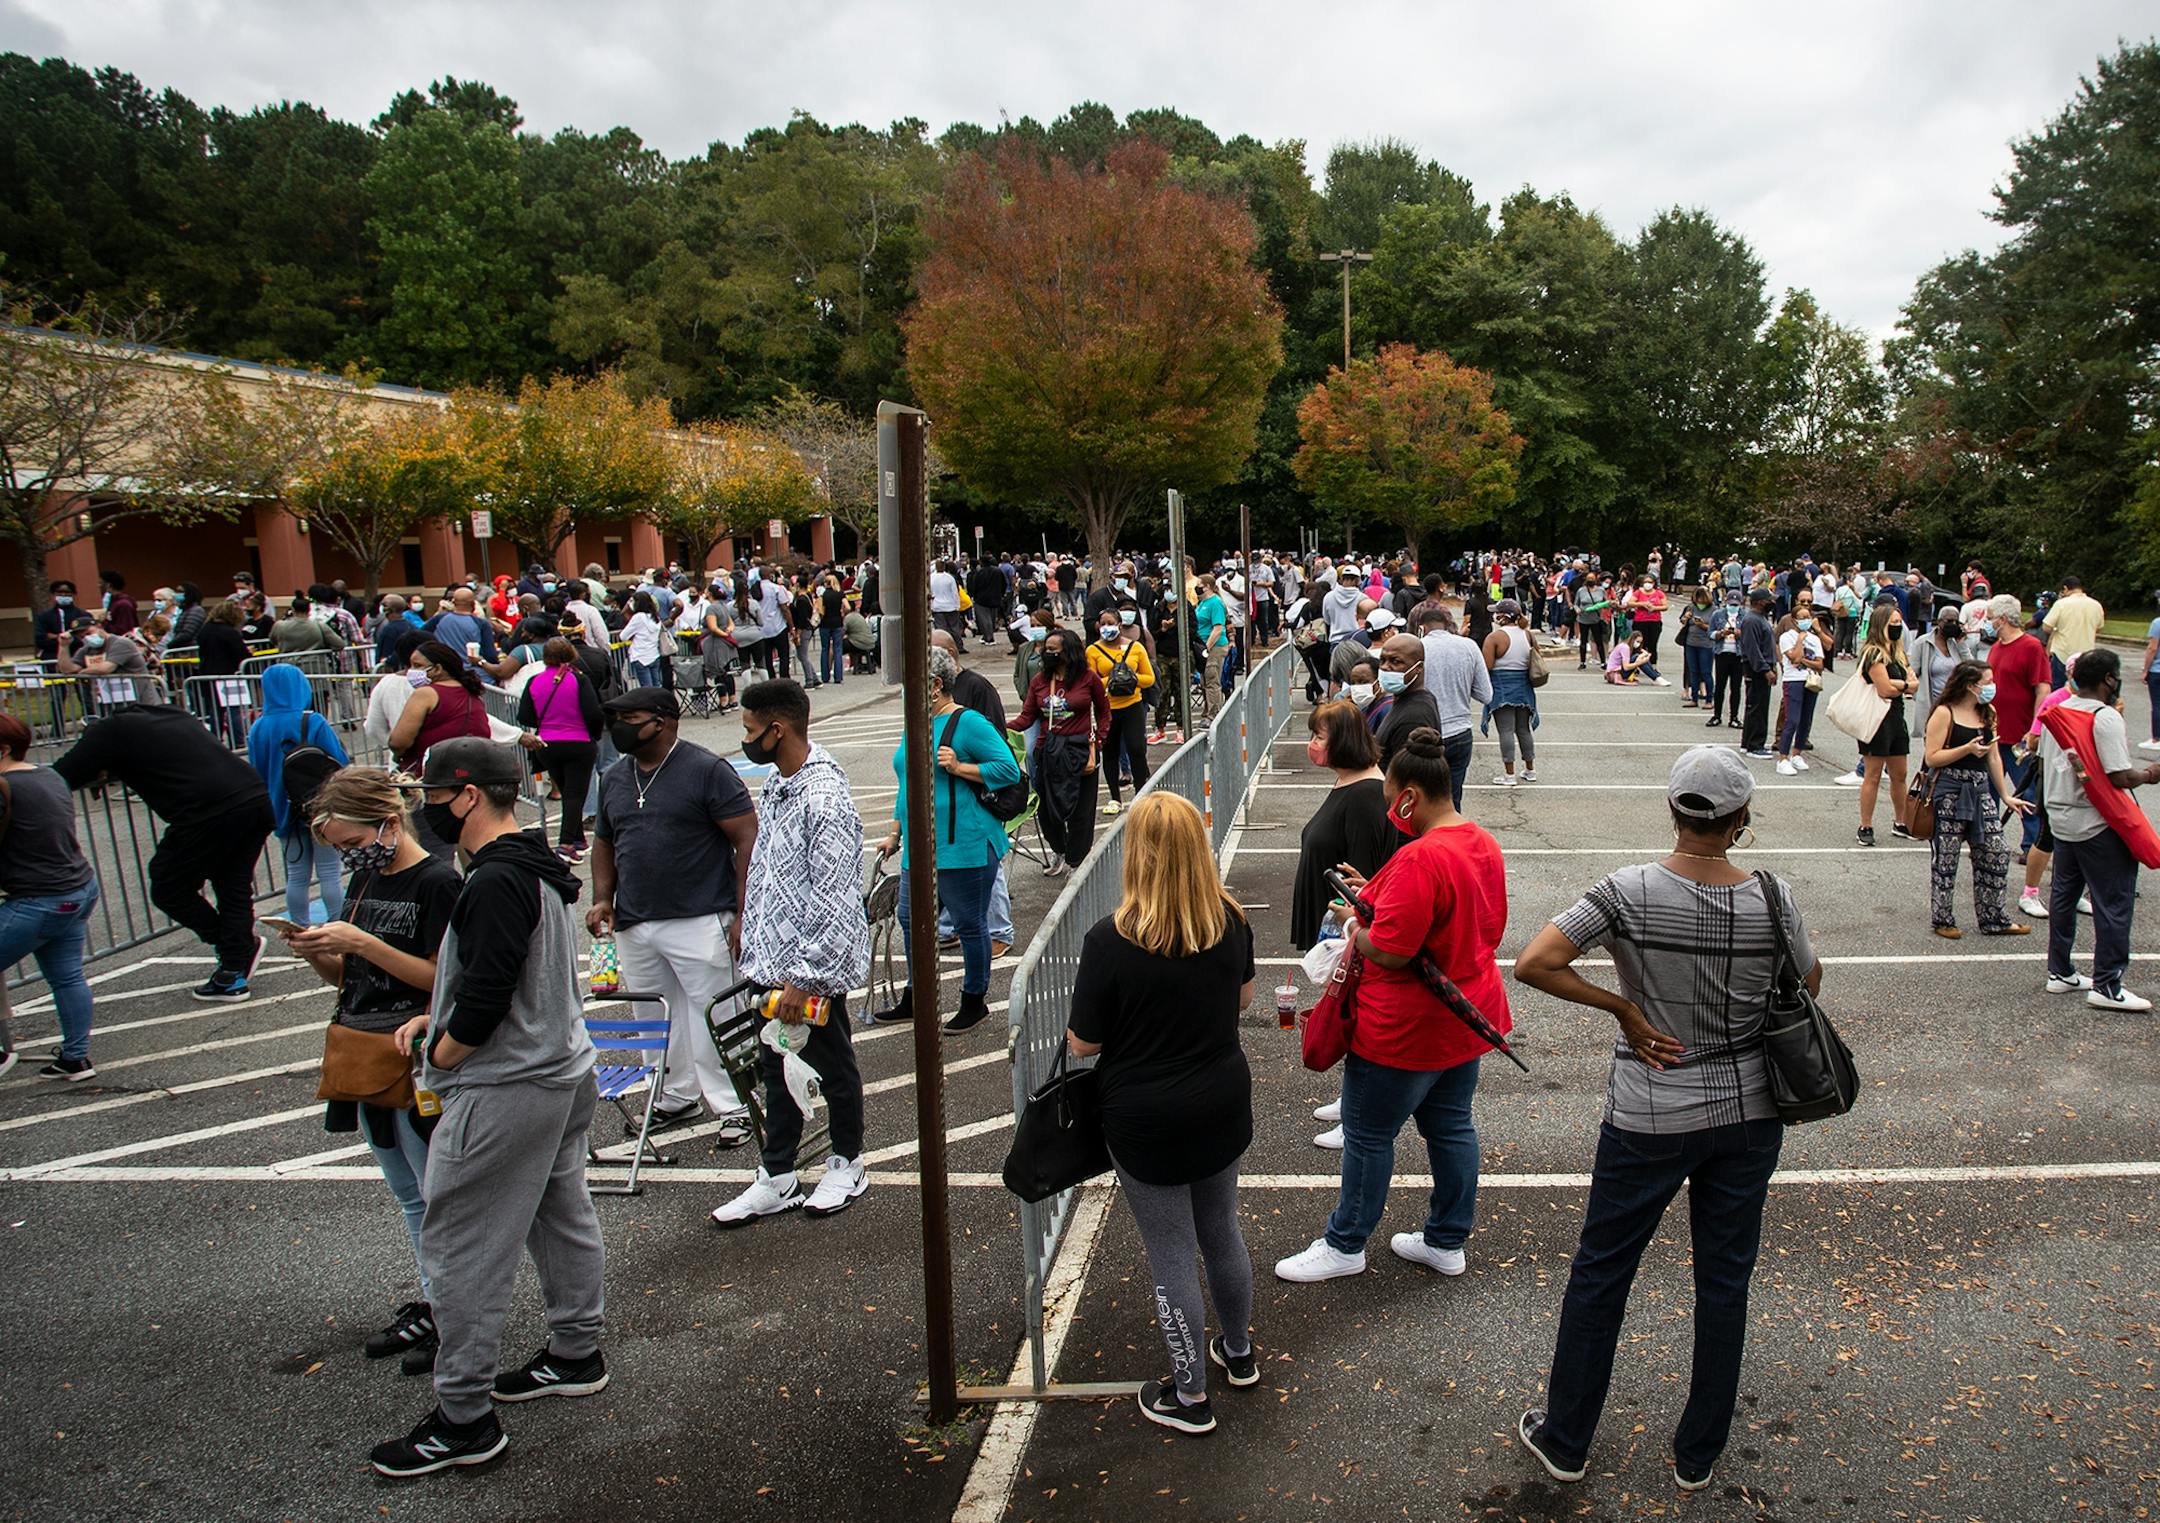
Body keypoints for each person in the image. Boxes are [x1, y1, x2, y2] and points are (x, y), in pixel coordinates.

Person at [1512, 745, 1815, 1492]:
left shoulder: (1627, 890)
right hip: (1749, 1110)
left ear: (1674, 810)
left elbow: (1535, 962)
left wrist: (1624, 1005)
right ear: (1740, 820)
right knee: (1723, 1280)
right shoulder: (1772, 897)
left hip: (1650, 1109)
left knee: (1602, 1272)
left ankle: (1568, 1437)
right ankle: (1697, 1453)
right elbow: (1806, 981)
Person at [366, 740, 607, 1478]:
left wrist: (441, 1053)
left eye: (430, 794)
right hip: (561, 1069)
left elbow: (488, 992)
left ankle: (463, 1417)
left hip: (509, 1085)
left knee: (462, 1245)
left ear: (467, 796)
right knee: (559, 1212)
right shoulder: (538, 864)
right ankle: (576, 1348)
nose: (422, 808)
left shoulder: (497, 877)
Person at [1274, 728, 1509, 1285]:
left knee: (1369, 1134)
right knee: (1451, 1128)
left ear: (1408, 796)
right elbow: (1484, 926)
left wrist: (1357, 925)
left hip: (1405, 1029)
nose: (1389, 812)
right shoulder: (1481, 841)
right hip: (1466, 1016)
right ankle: (1446, 1239)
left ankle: (1345, 1242)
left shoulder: (1420, 858)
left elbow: (1392, 950)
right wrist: (1374, 890)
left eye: (1390, 801)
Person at [1067, 792, 1257, 1435]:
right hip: (1221, 1100)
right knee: (1221, 1228)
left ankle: (1190, 1395)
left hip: (1146, 1114)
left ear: (1137, 856)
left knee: (1171, 1249)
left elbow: (1084, 1044)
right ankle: (1238, 1354)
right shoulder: (1229, 920)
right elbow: (1244, 999)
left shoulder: (1110, 940)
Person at [282, 767, 461, 1376]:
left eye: (353, 843)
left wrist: (364, 945)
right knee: (410, 1196)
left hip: (411, 1056)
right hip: (362, 1049)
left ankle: (455, 1314)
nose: (350, 856)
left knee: (435, 1196)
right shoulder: (366, 880)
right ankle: (438, 1302)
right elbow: (349, 979)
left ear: (388, 820)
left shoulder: (436, 881)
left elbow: (446, 979)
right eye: (339, 849)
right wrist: (321, 956)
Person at [710, 679, 876, 1227]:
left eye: (750, 730)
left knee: (830, 1063)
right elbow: (771, 872)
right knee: (773, 1064)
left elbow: (831, 895)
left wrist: (805, 978)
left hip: (807, 972)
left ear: (777, 729)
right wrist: (750, 927)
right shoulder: (781, 785)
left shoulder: (823, 796)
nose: (745, 739)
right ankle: (777, 1173)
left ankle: (847, 1162)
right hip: (771, 960)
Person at [588, 687, 758, 1137]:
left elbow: (746, 839)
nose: (618, 726)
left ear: (663, 721)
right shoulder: (616, 777)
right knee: (653, 1016)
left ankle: (736, 1104)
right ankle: (673, 1096)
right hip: (635, 919)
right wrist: (602, 897)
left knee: (715, 1012)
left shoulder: (706, 770)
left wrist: (743, 911)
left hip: (701, 914)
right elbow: (604, 842)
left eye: (630, 717)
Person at [52, 701, 272, 1002]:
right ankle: (233, 970)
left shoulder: (107, 732)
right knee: (232, 883)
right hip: (252, 797)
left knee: (169, 886)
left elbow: (60, 776)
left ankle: (236, 949)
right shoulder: (171, 713)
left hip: (207, 812)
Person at [870, 645, 1022, 1035]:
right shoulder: (914, 723)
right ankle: (915, 996)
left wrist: (960, 767)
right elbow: (906, 784)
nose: (906, 692)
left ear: (935, 685)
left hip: (965, 843)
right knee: (910, 919)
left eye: (913, 684)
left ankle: (974, 999)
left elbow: (1007, 769)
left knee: (970, 924)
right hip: (919, 849)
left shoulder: (967, 723)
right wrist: (894, 833)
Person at [2041, 648, 2160, 1012]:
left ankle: (2060, 971)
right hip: (2098, 822)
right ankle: (2108, 984)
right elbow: (2118, 775)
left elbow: (2047, 764)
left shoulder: (2056, 713)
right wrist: (2151, 774)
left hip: (2062, 816)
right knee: (2113, 901)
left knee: (2064, 896)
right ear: (2109, 679)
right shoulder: (2105, 717)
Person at [0, 713, 101, 1080]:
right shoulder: (48, 775)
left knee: (67, 976)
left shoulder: (6, 786)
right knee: (67, 976)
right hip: (77, 888)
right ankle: (75, 1058)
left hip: (39, 898)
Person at [1921, 661, 2036, 939]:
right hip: (1949, 791)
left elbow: (1994, 756)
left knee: (1995, 852)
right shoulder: (1944, 712)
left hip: (1980, 789)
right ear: (1969, 685)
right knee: (1946, 859)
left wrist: (2006, 794)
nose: (1991, 687)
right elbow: (1931, 757)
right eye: (1986, 682)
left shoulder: (1988, 712)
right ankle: (1943, 918)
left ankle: (1993, 917)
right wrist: (1966, 749)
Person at [247, 663, 352, 924]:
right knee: (329, 872)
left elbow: (255, 769)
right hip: (320, 805)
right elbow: (337, 761)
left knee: (296, 874)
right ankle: (338, 924)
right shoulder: (312, 721)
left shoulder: (259, 727)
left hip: (282, 807)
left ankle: (300, 928)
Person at [1015, 626, 1109, 879]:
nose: (1049, 654)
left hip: (1079, 751)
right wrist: (997, 727)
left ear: (1069, 652)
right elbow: (1027, 717)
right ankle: (1060, 850)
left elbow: (1103, 711)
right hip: (1049, 752)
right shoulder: (1040, 681)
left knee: (1081, 810)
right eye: (1047, 650)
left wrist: (1099, 739)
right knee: (1047, 809)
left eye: (1054, 650)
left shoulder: (1088, 679)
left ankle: (1077, 860)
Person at [514, 639, 605, 863]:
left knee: (567, 792)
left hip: (546, 743)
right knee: (576, 794)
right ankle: (565, 844)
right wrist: (594, 735)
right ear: (571, 654)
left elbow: (524, 715)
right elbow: (593, 712)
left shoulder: (534, 681)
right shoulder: (578, 680)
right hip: (578, 741)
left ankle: (578, 839)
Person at [1987, 594, 2055, 855]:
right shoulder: (1996, 647)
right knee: (1989, 793)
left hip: (2020, 735)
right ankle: (1990, 840)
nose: (1989, 623)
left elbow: (2043, 690)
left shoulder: (2031, 647)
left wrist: (2035, 730)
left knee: (2026, 794)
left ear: (2003, 619)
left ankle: (2032, 845)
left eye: (1992, 618)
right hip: (1994, 734)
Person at [1854, 605, 1918, 846]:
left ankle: (1901, 821)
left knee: (1899, 773)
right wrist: (1904, 685)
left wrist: (1900, 684)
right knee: (1872, 774)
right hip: (1876, 718)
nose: (1897, 626)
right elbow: (1884, 688)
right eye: (1893, 622)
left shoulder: (1898, 652)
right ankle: (1866, 824)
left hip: (1896, 717)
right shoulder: (1873, 653)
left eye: (1899, 622)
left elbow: (1914, 681)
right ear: (1881, 624)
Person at [1088, 603, 1155, 817]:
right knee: (1110, 752)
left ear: (1119, 624)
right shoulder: (1092, 650)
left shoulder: (1136, 647)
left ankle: (1140, 794)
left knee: (1137, 748)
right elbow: (1092, 681)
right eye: (1103, 624)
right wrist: (1113, 680)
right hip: (1107, 708)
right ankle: (1115, 797)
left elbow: (1149, 678)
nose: (1107, 628)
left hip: (1132, 705)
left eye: (1111, 623)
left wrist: (1131, 680)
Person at [386, 641, 492, 776]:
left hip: (432, 775)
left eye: (417, 666)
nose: (410, 671)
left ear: (437, 669)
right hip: (474, 771)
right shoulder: (470, 692)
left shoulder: (426, 694)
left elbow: (398, 741)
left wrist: (397, 757)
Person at [1480, 598, 1539, 786]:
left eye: (1497, 612)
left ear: (1503, 616)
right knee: (1523, 729)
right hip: (1524, 686)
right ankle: (1530, 769)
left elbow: (1486, 666)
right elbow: (1536, 657)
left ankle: (1509, 774)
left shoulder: (1495, 638)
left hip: (1502, 686)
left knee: (1505, 730)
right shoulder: (1527, 635)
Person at [1772, 606, 1824, 776]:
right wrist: (1800, 641)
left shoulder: (1815, 639)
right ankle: (1783, 758)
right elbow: (1792, 658)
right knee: (1792, 719)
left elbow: (1819, 664)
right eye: (1801, 617)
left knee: (1805, 719)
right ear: (1794, 620)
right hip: (1793, 680)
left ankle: (1797, 753)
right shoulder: (1787, 637)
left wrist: (1802, 660)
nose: (1805, 620)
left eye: (1808, 617)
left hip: (1810, 680)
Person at [2042, 576, 2105, 686]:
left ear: (2065, 588)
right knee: (2083, 687)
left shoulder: (2061, 604)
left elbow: (2046, 626)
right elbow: (2099, 628)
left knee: (2058, 687)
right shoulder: (2096, 605)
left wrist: (2057, 629)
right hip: (2086, 654)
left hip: (2063, 652)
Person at [1736, 589, 1777, 759]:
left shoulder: (1760, 619)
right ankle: (1755, 744)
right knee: (1757, 707)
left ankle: (1748, 742)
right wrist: (1765, 669)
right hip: (1757, 669)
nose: (1772, 603)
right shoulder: (1752, 620)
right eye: (1768, 600)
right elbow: (1753, 649)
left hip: (1762, 667)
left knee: (1757, 705)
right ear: (1759, 602)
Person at [1705, 590, 1746, 728]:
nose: (1733, 606)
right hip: (1722, 652)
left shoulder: (1745, 615)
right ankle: (1716, 715)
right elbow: (1710, 633)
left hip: (1738, 654)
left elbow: (1750, 635)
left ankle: (1734, 717)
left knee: (1736, 687)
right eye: (1730, 603)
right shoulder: (1718, 614)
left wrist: (1741, 633)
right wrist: (1721, 633)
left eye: (1735, 604)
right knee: (1720, 686)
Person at [31, 579, 93, 661]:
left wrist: (56, 637)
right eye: (59, 592)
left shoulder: (84, 616)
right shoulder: (43, 616)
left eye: (67, 592)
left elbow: (86, 640)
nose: (63, 595)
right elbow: (40, 641)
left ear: (73, 594)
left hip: (78, 657)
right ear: (53, 594)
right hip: (52, 658)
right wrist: (69, 638)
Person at [1677, 588, 1716, 709]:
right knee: (1693, 671)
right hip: (1691, 643)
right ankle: (1694, 698)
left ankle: (1709, 700)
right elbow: (1683, 621)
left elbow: (1716, 628)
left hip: (1706, 644)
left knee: (1706, 672)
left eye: (1701, 599)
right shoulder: (1691, 607)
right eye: (1697, 599)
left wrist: (1703, 625)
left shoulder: (1714, 610)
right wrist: (1686, 618)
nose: (1699, 602)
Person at [620, 592, 664, 688]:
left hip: (640, 656)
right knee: (657, 685)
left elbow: (623, 636)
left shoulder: (638, 617)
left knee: (646, 687)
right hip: (654, 654)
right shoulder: (656, 617)